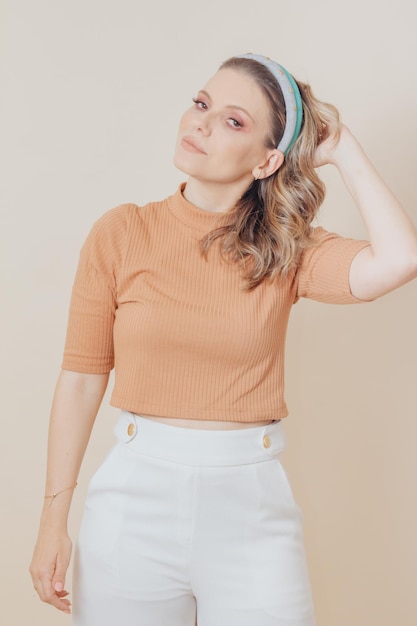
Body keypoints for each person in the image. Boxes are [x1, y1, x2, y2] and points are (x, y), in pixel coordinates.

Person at [29, 52, 417, 626]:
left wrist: (342, 147)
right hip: (133, 504)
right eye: (201, 103)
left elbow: (399, 260)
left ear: (267, 160)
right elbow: (83, 379)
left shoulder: (287, 250)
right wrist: (52, 521)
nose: (201, 123)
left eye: (234, 121)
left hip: (252, 509)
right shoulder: (122, 232)